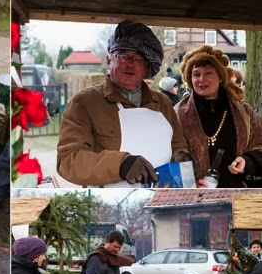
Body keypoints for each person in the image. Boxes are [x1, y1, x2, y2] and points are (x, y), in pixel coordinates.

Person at [56, 22, 190, 187]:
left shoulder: (163, 103)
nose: (130, 63)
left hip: (161, 198)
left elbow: (178, 145)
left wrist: (181, 156)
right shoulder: (84, 103)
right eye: (122, 56)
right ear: (109, 61)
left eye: (138, 58)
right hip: (109, 201)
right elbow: (68, 160)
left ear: (146, 66)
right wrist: (120, 164)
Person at [175, 45, 262, 188]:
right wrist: (191, 184)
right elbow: (170, 155)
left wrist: (247, 162)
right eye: (196, 74)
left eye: (208, 73)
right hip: (194, 198)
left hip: (238, 195)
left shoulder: (244, 113)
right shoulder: (178, 114)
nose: (202, 79)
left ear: (220, 77)